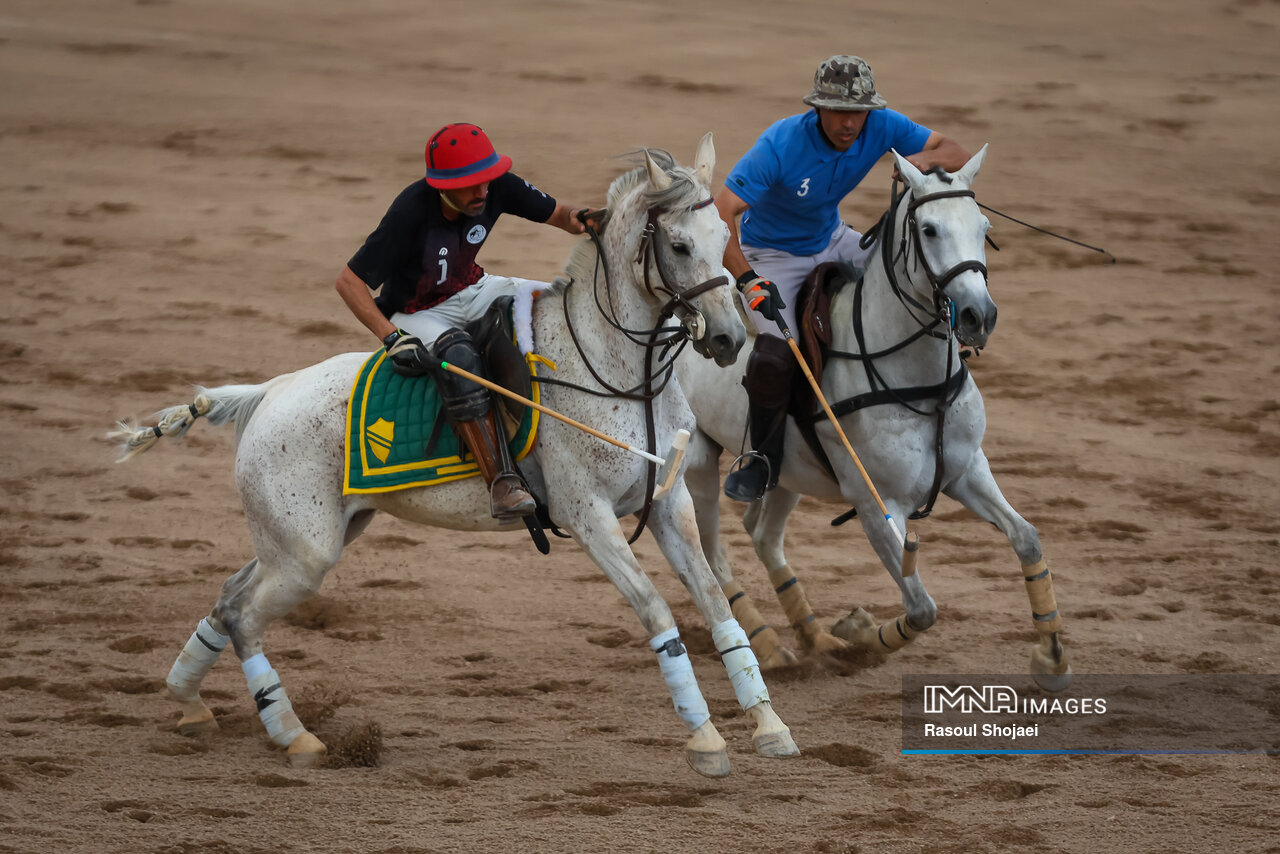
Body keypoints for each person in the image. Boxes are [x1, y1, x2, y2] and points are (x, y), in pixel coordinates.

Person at [715, 55, 972, 502]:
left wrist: (915, 160)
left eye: (859, 112)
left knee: (916, 279)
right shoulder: (780, 144)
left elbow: (955, 151)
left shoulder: (881, 125)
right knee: (778, 351)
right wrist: (748, 279)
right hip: (773, 253)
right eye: (839, 111)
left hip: (833, 237)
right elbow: (721, 214)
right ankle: (762, 458)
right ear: (817, 109)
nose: (850, 123)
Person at [335, 123, 589, 520]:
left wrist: (586, 218)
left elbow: (560, 214)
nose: (483, 192)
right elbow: (348, 282)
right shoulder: (409, 212)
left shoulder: (496, 185)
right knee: (460, 357)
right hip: (417, 312)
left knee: (558, 305)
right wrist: (391, 337)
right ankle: (502, 483)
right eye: (471, 185)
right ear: (441, 185)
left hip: (473, 287)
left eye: (486, 181)